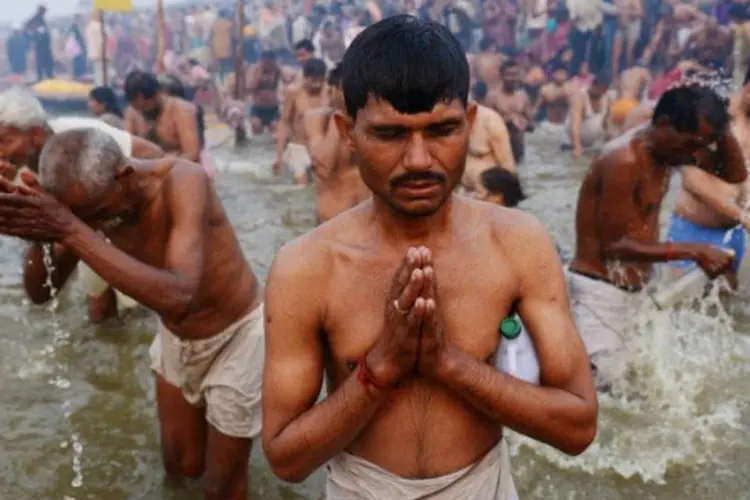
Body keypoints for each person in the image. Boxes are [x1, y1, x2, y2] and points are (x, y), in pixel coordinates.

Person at [262, 16, 597, 498]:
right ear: (348, 131)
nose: (419, 160)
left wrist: (448, 364)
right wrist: (380, 369)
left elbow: (578, 426)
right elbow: (286, 459)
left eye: (442, 130)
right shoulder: (306, 267)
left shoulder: (519, 243)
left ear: (472, 121)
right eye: (390, 134)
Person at [0, 128, 264, 500]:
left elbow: (180, 295)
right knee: (181, 469)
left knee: (221, 488)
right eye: (84, 217)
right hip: (178, 338)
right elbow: (40, 293)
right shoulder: (88, 207)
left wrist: (72, 230)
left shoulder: (183, 181)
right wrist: (34, 228)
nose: (98, 224)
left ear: (123, 177)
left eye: (100, 214)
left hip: (238, 336)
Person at [569, 86, 741, 389]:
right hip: (600, 294)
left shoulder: (670, 151)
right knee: (604, 393)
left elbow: (733, 174)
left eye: (704, 145)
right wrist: (695, 251)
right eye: (691, 144)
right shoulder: (624, 161)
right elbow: (615, 247)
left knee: (640, 392)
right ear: (663, 125)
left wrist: (722, 127)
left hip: (639, 292)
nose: (695, 154)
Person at [0, 87, 164, 321]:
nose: (1, 152)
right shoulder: (14, 169)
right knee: (98, 307)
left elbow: (153, 156)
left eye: (5, 141)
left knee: (140, 302)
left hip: (120, 218)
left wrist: (125, 214)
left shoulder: (80, 137)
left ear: (36, 134)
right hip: (83, 225)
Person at [304, 64, 371, 223]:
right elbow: (324, 167)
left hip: (369, 224)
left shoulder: (373, 123)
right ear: (332, 91)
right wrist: (340, 114)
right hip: (330, 223)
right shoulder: (317, 119)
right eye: (346, 90)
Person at [123, 71, 202, 165]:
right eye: (137, 108)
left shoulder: (181, 110)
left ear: (157, 94)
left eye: (145, 106)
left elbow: (191, 154)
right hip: (146, 172)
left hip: (178, 171)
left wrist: (161, 168)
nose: (142, 112)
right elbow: (127, 152)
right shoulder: (132, 113)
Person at [275, 58, 329, 185]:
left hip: (322, 148)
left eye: (321, 80)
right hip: (298, 147)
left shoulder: (330, 92)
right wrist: (279, 156)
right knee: (301, 183)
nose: (317, 85)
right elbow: (284, 123)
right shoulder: (293, 93)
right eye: (313, 81)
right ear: (305, 77)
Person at [462, 82, 516, 195]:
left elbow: (507, 164)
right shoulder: (449, 122)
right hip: (464, 194)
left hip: (488, 196)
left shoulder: (491, 120)